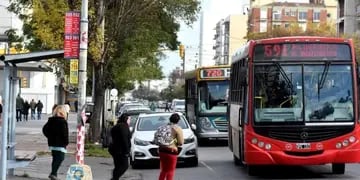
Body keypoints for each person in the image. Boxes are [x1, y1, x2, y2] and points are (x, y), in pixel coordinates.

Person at [42, 105, 69, 180]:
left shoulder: (51, 120)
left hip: (52, 143)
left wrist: (49, 137)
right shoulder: (63, 122)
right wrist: (66, 142)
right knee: (60, 158)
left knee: (55, 158)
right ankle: (53, 173)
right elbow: (65, 133)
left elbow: (44, 129)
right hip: (60, 144)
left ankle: (54, 174)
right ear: (63, 113)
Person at [158, 113, 184, 180]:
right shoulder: (177, 128)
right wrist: (174, 141)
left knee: (163, 170)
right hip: (171, 151)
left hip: (162, 151)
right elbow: (181, 142)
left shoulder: (163, 127)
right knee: (170, 170)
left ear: (170, 119)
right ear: (178, 121)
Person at [108, 113, 131, 180]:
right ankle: (114, 178)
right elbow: (125, 139)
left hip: (114, 149)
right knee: (124, 166)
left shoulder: (116, 126)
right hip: (121, 150)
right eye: (129, 119)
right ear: (126, 119)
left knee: (118, 166)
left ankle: (115, 177)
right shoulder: (124, 127)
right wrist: (127, 151)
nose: (130, 121)